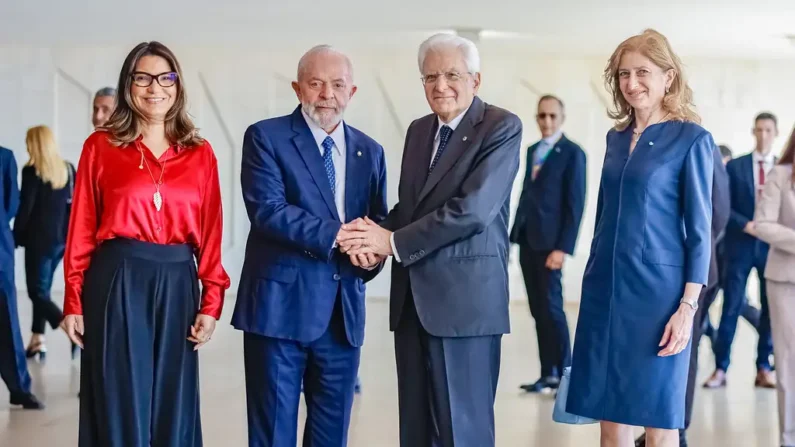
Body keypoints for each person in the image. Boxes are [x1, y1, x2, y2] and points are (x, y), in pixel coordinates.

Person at [337, 33, 522, 447]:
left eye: (452, 74)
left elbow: (473, 210)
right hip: (413, 304)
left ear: (476, 79)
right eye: (430, 76)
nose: (440, 86)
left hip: (465, 307)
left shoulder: (501, 126)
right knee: (417, 432)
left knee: (463, 433)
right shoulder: (419, 130)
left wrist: (392, 243)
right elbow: (411, 208)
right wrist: (372, 242)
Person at [61, 41, 230, 447]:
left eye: (165, 77)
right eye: (143, 77)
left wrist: (212, 301)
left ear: (178, 85)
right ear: (128, 85)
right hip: (117, 280)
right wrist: (73, 299)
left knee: (173, 398)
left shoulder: (200, 153)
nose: (155, 87)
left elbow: (211, 232)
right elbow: (81, 227)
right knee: (120, 395)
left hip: (177, 283)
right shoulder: (100, 147)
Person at [231, 45, 387, 447]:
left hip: (342, 317)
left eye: (338, 85)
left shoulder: (370, 151)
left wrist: (371, 255)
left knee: (331, 436)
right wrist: (338, 235)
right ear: (298, 88)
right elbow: (268, 210)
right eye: (316, 84)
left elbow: (376, 223)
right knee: (273, 435)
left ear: (352, 92)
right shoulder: (266, 137)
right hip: (279, 313)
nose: (327, 94)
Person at [566, 29, 713, 447]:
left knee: (659, 422)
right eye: (623, 74)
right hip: (604, 293)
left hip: (658, 300)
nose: (632, 83)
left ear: (668, 76)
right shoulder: (615, 138)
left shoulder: (691, 139)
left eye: (643, 72)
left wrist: (687, 306)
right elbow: (603, 216)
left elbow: (700, 231)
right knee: (610, 422)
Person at [635, 127, 730, 447]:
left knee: (682, 352)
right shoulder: (646, 146)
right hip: (654, 275)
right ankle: (656, 425)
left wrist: (684, 256)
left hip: (693, 272)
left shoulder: (700, 144)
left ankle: (678, 426)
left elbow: (716, 215)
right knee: (659, 351)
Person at [510, 94, 586, 392]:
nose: (547, 121)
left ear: (561, 118)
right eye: (542, 116)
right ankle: (548, 374)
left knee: (553, 309)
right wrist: (514, 233)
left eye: (552, 116)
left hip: (551, 244)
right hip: (527, 240)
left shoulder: (573, 153)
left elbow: (575, 204)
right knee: (537, 310)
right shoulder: (532, 151)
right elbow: (527, 193)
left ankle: (567, 376)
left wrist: (562, 248)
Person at [704, 112, 778, 389]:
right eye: (759, 130)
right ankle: (721, 368)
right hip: (740, 246)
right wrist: (745, 224)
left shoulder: (784, 168)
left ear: (776, 133)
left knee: (769, 309)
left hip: (771, 247)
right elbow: (723, 206)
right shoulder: (736, 167)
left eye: (768, 130)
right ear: (753, 131)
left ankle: (763, 367)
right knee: (731, 307)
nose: (763, 135)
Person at [12, 125, 75, 360]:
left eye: (29, 141)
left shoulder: (32, 171)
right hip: (62, 241)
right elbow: (74, 207)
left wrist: (15, 236)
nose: (27, 146)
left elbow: (25, 210)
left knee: (36, 293)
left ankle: (70, 330)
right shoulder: (67, 169)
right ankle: (37, 339)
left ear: (36, 144)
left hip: (38, 243)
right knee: (44, 290)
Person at [754, 124, 795, 447]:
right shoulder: (781, 176)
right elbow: (762, 224)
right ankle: (789, 439)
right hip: (786, 281)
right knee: (789, 365)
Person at [701, 144, 761, 343]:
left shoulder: (731, 184)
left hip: (729, 254)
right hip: (716, 255)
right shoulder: (708, 183)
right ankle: (709, 333)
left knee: (737, 303)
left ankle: (711, 334)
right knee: (712, 300)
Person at [0, 143, 44, 409]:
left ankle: (19, 388)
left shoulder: (5, 156)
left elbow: (12, 205)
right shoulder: (5, 157)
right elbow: (11, 204)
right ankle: (19, 389)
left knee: (6, 321)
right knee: (6, 321)